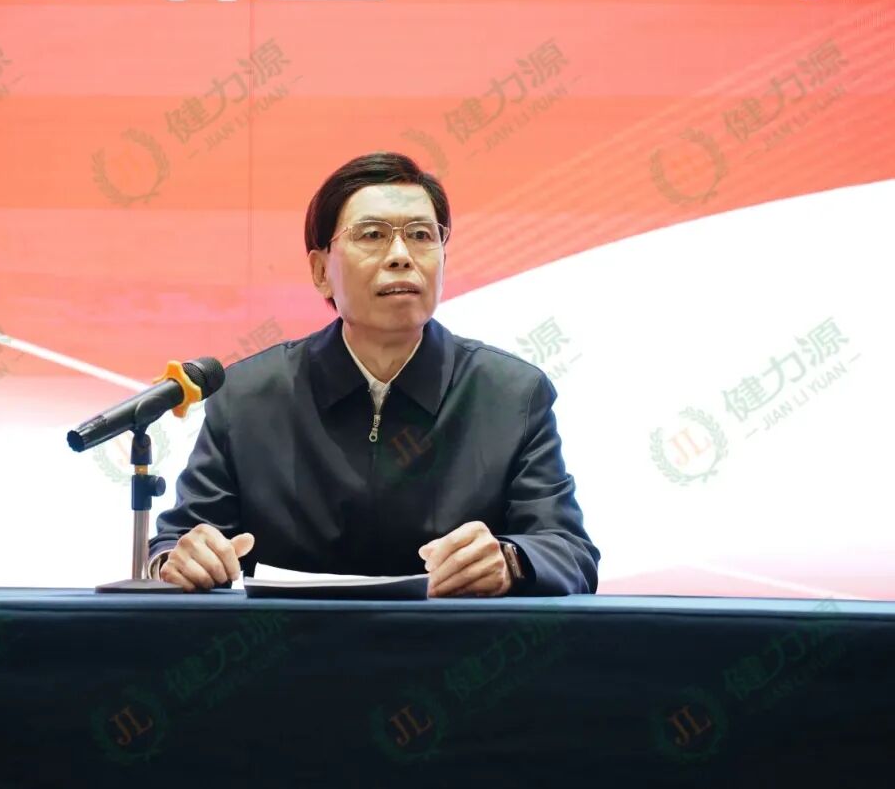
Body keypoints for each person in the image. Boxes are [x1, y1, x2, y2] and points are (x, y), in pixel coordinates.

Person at [148, 152, 599, 597]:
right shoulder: (248, 397)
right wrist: (179, 560)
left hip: (450, 641)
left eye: (421, 235)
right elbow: (177, 542)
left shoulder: (511, 395)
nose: (401, 255)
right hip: (290, 643)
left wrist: (511, 560)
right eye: (372, 235)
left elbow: (569, 552)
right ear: (321, 271)